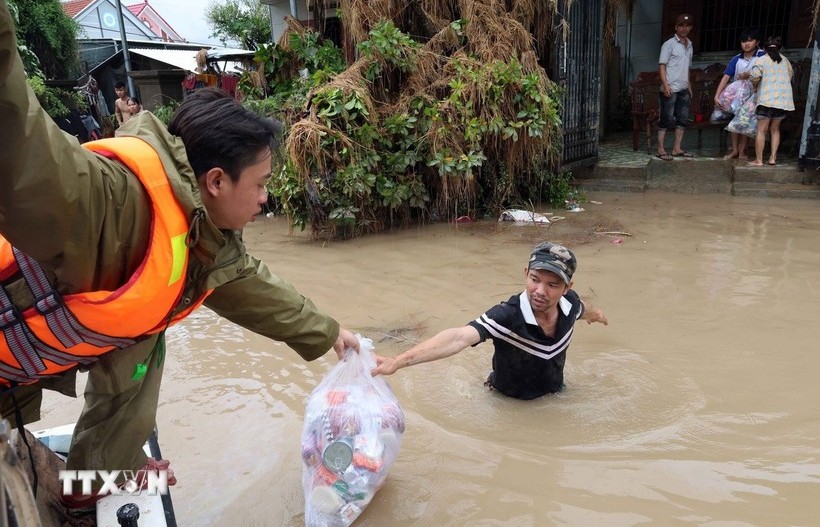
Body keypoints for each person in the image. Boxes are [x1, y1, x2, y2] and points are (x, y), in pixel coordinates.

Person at [0, 0, 359, 509]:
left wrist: (332, 334)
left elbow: (252, 286)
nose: (265, 200)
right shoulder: (109, 201)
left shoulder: (200, 242)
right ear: (215, 181)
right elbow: (19, 148)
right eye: (259, 186)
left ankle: (92, 486)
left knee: (145, 352)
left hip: (27, 369)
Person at [371, 242, 608, 400]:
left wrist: (597, 316)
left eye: (552, 285)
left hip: (554, 396)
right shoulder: (507, 316)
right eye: (534, 279)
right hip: (506, 402)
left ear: (567, 288)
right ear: (526, 273)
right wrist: (398, 361)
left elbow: (585, 310)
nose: (540, 291)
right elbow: (458, 337)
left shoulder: (571, 305)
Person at [714, 29, 765, 160]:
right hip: (737, 96)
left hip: (755, 94)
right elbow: (725, 78)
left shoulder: (762, 56)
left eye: (750, 40)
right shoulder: (736, 59)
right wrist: (717, 95)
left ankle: (742, 151)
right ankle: (735, 150)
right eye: (744, 41)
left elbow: (767, 72)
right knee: (735, 122)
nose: (747, 44)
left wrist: (749, 75)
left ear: (757, 42)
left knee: (745, 122)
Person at [748, 36, 794, 166]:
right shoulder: (786, 61)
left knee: (762, 130)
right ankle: (773, 158)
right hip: (782, 101)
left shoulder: (761, 60)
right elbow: (790, 76)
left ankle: (759, 160)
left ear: (764, 48)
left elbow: (755, 76)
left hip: (766, 100)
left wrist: (756, 87)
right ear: (781, 48)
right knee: (775, 130)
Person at [656, 13, 694, 161]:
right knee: (665, 119)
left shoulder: (689, 45)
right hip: (670, 88)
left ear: (690, 27)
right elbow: (662, 66)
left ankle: (676, 149)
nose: (684, 29)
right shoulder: (669, 44)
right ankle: (660, 149)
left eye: (687, 26)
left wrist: (689, 86)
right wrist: (665, 85)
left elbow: (688, 68)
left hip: (684, 88)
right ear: (676, 27)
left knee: (682, 119)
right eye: (681, 26)